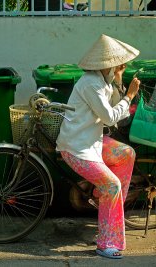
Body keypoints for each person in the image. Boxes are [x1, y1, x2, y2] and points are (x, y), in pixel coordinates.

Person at [56, 34, 141, 259]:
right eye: (117, 65)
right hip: (76, 149)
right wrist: (130, 96)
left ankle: (109, 211)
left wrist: (119, 80)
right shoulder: (91, 84)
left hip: (92, 143)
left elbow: (111, 106)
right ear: (107, 65)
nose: (120, 67)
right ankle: (106, 243)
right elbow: (111, 117)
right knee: (112, 185)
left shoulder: (102, 81)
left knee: (127, 154)